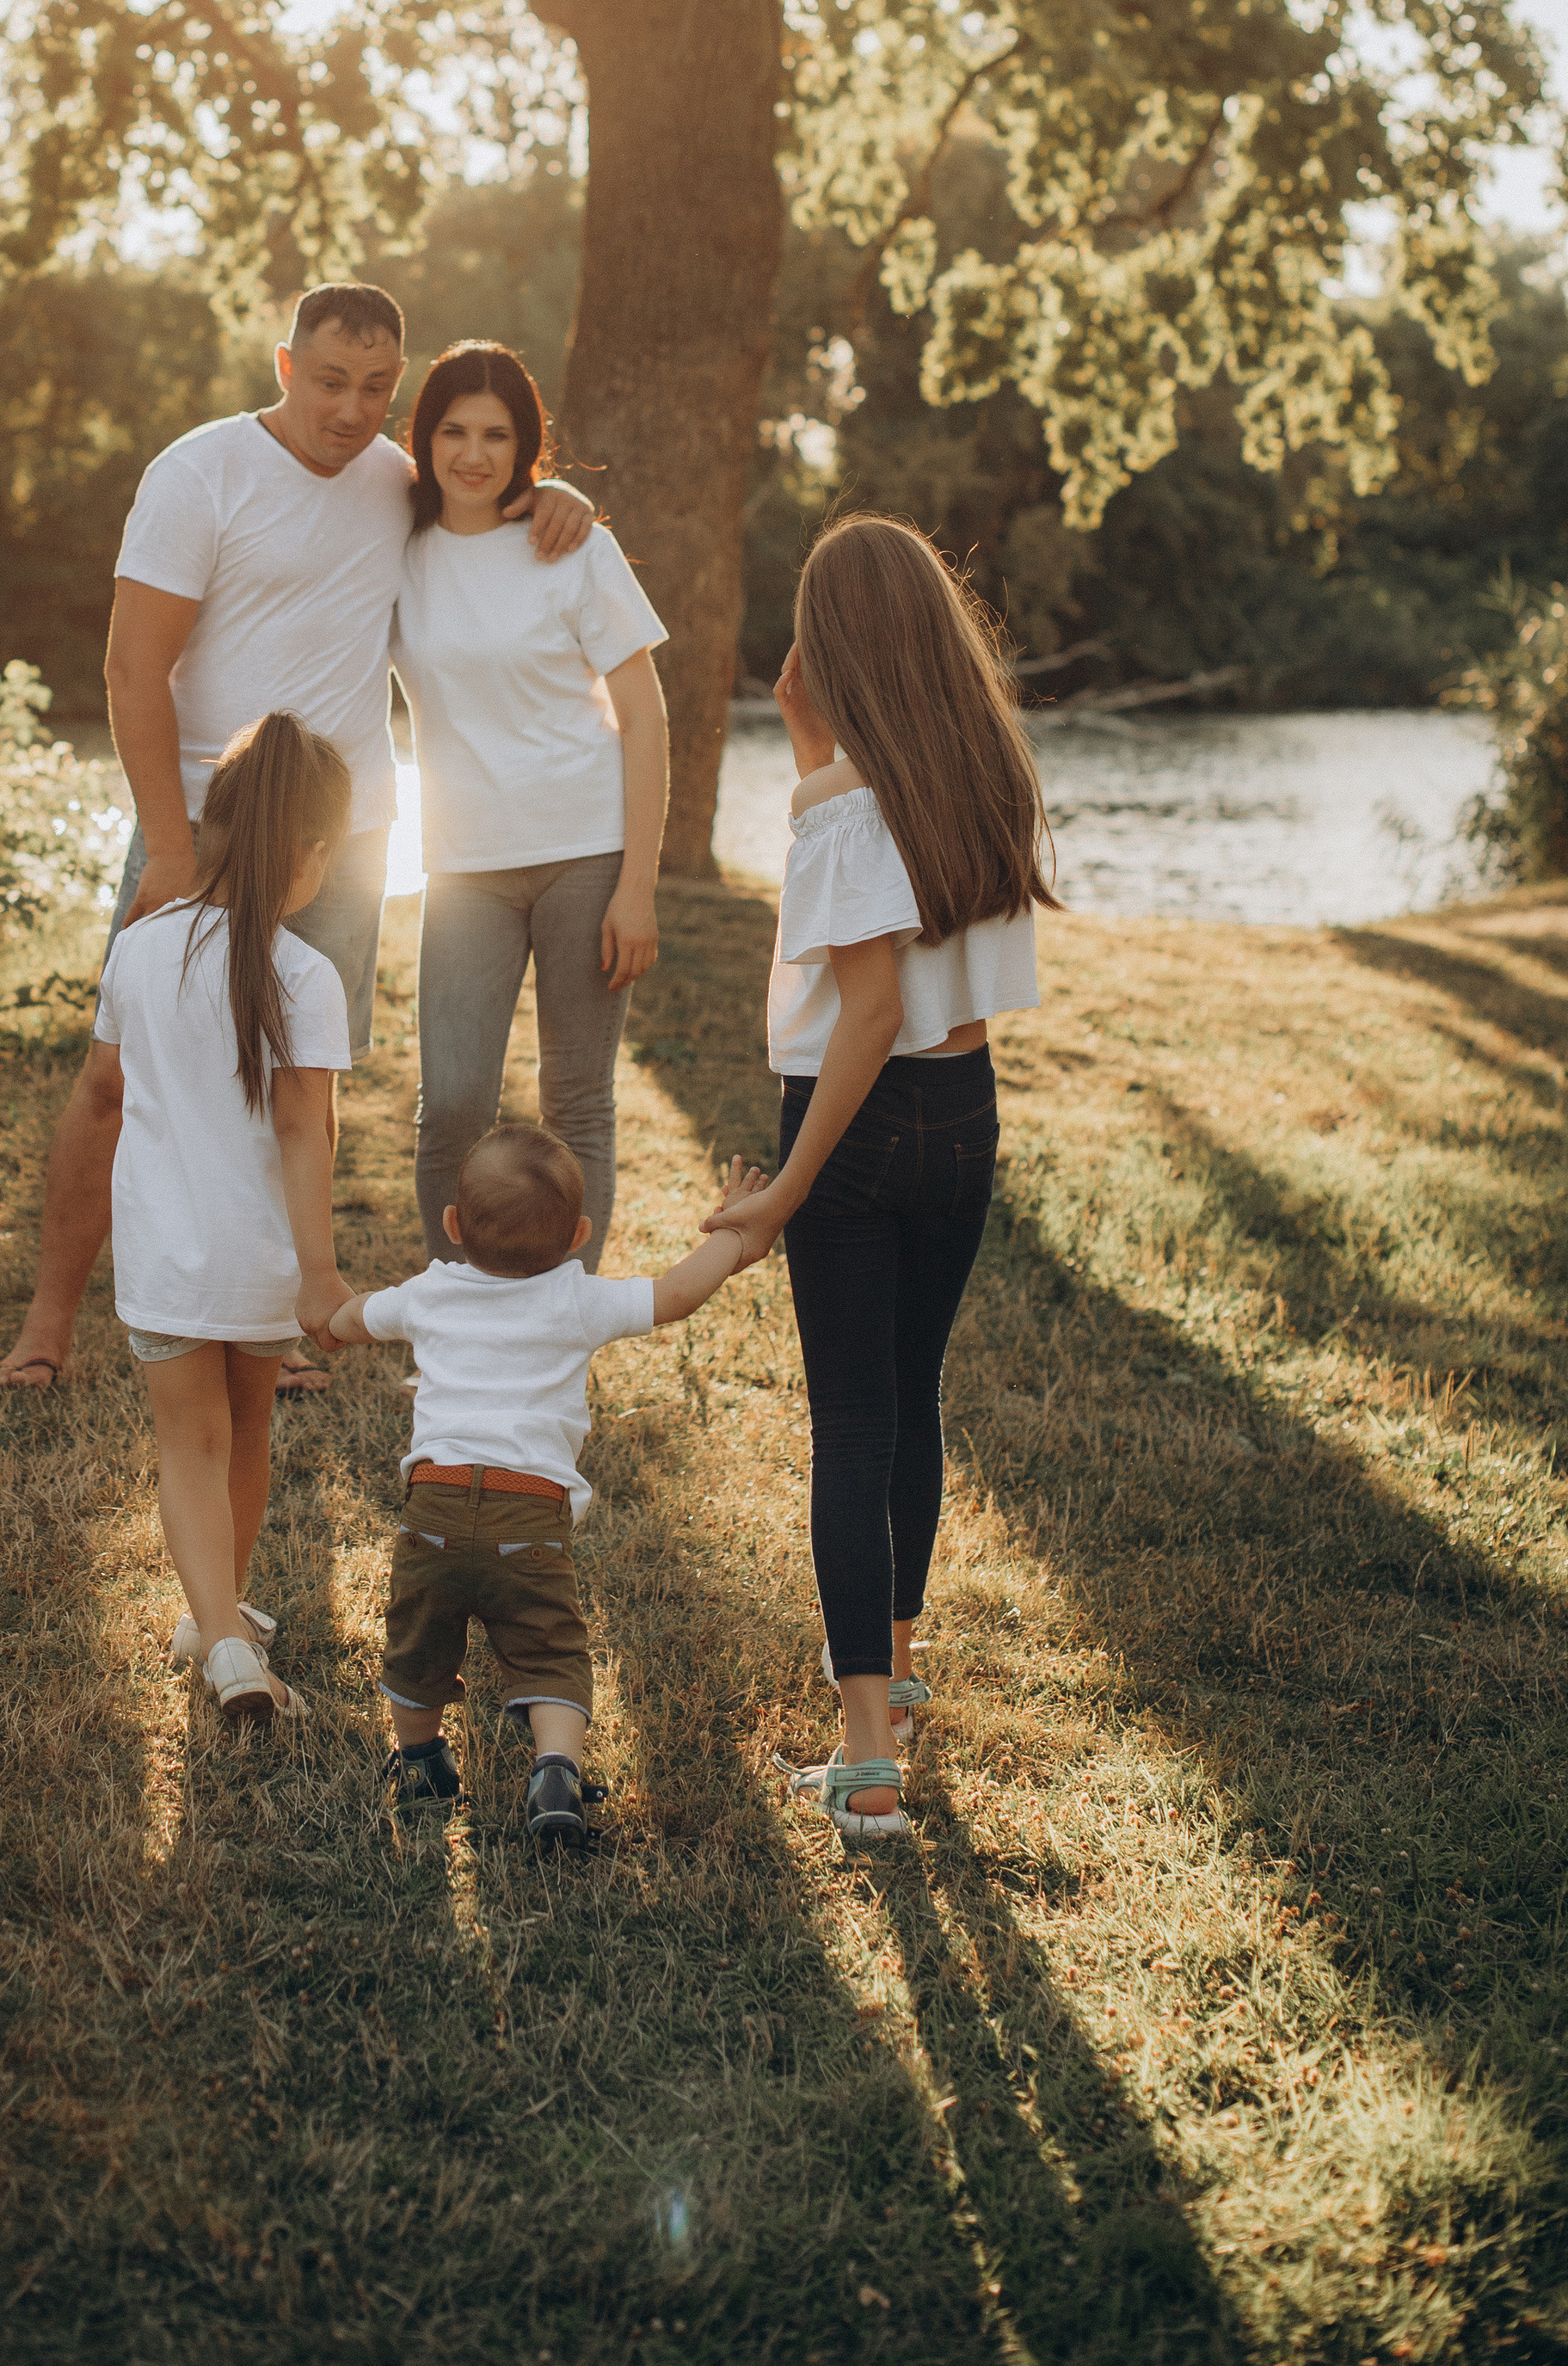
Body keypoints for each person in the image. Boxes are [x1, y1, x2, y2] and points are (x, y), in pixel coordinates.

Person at [0, 282, 591, 1395]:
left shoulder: (397, 483)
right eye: (329, 381)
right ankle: (45, 1326)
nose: (351, 410)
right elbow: (131, 670)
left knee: (301, 1085)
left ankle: (274, 1321)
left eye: (376, 388)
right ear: (284, 366)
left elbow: (491, 498)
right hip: (200, 828)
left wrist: (562, 502)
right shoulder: (198, 474)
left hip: (344, 838)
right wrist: (171, 846)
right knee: (116, 1078)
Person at [708, 517, 1055, 1844]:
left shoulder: (842, 802)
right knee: (911, 1399)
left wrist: (787, 1187)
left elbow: (866, 1010)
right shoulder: (987, 769)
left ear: (831, 645)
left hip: (856, 1123)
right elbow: (917, 959)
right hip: (965, 1113)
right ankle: (895, 1670)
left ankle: (865, 1761)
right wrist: (813, 751)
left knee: (851, 1427)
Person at [314, 1123, 777, 1851]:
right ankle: (555, 1771)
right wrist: (733, 1234)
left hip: (433, 1505)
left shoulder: (429, 1292)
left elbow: (349, 1319)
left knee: (417, 1642)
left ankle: (420, 1764)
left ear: (453, 1225)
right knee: (550, 1649)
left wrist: (330, 1324)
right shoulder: (576, 1298)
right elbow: (678, 1294)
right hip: (530, 1513)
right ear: (579, 1237)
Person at [42, 711, 358, 1723]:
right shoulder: (304, 975)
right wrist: (320, 1273)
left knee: (190, 1444)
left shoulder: (138, 951)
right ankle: (221, 1627)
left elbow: (107, 1088)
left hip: (165, 1259)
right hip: (261, 1262)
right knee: (248, 1432)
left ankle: (216, 1628)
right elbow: (307, 1132)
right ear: (310, 855)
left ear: (211, 828)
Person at [389, 341, 668, 1272]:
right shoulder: (395, 548)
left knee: (575, 1102)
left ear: (526, 447)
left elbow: (643, 717)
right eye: (454, 431)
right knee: (452, 1104)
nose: (473, 455)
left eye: (496, 435)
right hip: (463, 864)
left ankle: (564, 1313)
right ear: (424, 439)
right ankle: (454, 1310)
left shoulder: (574, 547)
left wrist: (637, 885)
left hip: (585, 852)